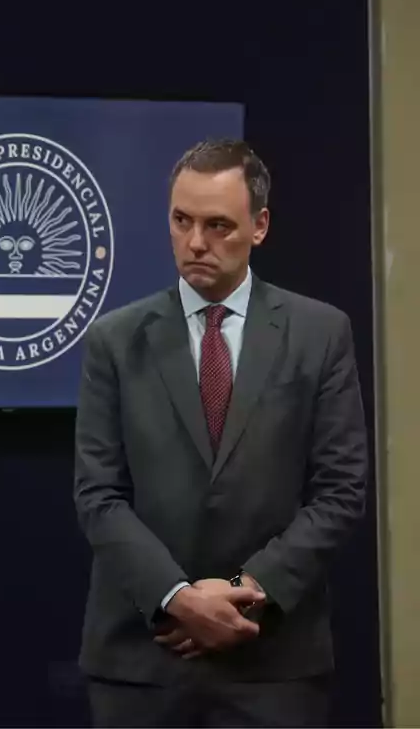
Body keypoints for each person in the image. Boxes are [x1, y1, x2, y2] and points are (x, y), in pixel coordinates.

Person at [72, 139, 368, 727]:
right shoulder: (113, 340)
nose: (196, 242)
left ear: (259, 226)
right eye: (181, 221)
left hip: (273, 660)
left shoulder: (320, 334)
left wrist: (243, 591)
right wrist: (179, 601)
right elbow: (98, 496)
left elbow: (340, 491)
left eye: (218, 225)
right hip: (143, 659)